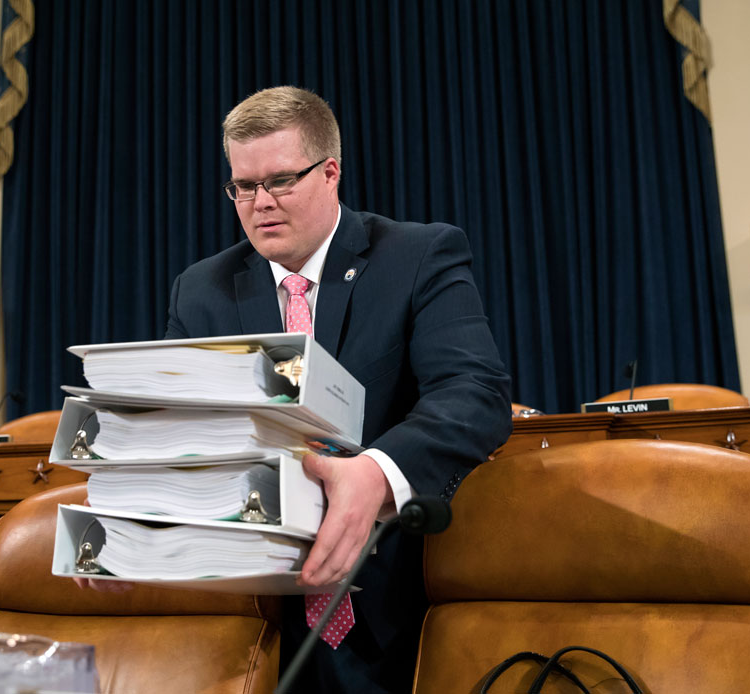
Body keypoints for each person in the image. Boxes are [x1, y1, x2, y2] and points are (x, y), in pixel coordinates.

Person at [161, 86, 513, 693]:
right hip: (254, 621)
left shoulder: (418, 254)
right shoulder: (201, 290)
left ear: (331, 173)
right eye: (243, 187)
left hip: (402, 605)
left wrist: (377, 473)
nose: (259, 204)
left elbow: (474, 391)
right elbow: (177, 430)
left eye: (280, 181)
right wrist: (138, 520)